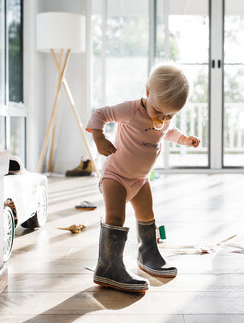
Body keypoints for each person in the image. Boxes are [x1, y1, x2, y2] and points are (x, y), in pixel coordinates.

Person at [86, 63, 200, 293]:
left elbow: (168, 132)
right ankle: (108, 266)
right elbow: (99, 114)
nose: (162, 118)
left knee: (147, 214)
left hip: (140, 180)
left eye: (169, 115)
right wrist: (99, 139)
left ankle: (148, 253)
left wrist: (184, 140)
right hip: (116, 176)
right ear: (147, 92)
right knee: (116, 216)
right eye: (158, 112)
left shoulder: (164, 117)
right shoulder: (130, 109)